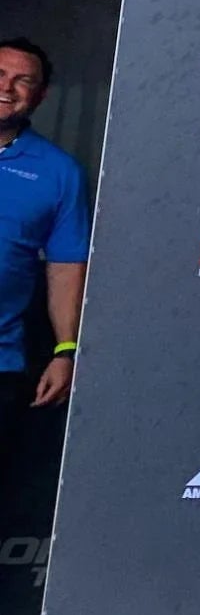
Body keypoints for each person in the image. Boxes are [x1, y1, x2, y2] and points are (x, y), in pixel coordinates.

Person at [0, 38, 86, 458]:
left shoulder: (59, 172)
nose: (7, 88)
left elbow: (66, 265)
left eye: (22, 81)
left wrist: (65, 349)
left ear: (40, 95)